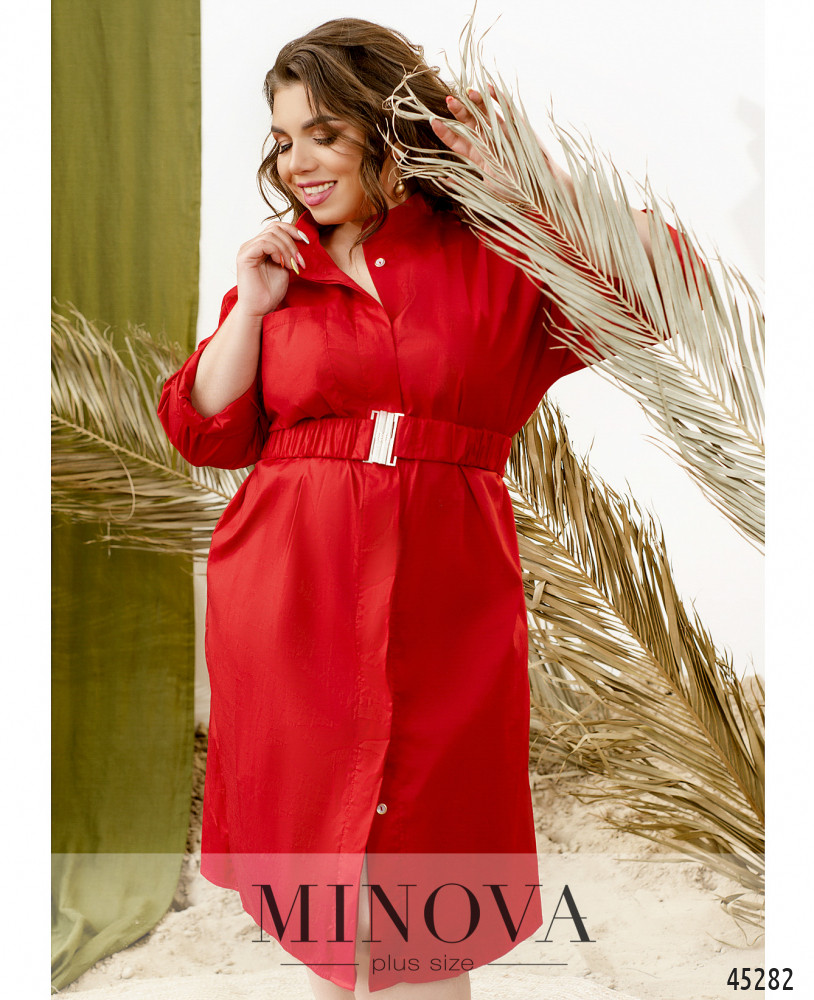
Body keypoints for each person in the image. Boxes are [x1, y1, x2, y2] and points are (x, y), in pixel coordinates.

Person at [158, 17, 680, 999]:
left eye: (323, 133)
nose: (298, 162)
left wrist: (514, 172)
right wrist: (251, 305)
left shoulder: (498, 257)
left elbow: (654, 287)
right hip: (292, 594)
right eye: (283, 139)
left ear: (387, 128)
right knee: (327, 893)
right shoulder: (285, 269)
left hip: (448, 588)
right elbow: (202, 429)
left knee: (425, 897)